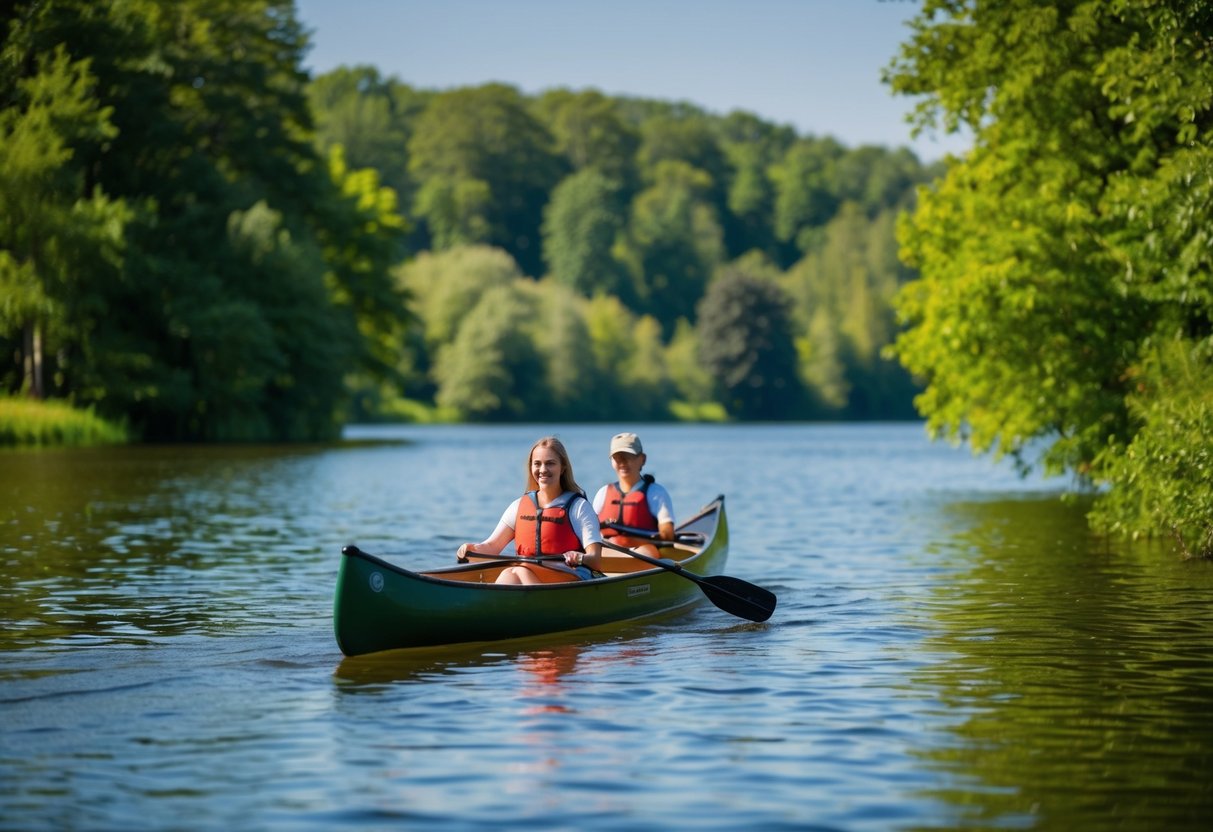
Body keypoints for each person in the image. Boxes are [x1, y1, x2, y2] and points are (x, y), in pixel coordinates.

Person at [456, 436, 604, 584]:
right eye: (537, 464)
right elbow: (492, 547)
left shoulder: (579, 507)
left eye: (550, 464)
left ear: (563, 467)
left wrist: (579, 557)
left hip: (569, 577)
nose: (543, 470)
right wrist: (470, 549)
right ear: (531, 467)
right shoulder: (518, 506)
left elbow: (595, 559)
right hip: (527, 576)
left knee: (516, 571)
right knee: (513, 572)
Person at [592, 432, 675, 559]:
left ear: (642, 459)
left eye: (629, 456)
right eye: (617, 457)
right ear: (611, 461)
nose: (623, 462)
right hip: (609, 550)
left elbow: (668, 534)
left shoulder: (656, 493)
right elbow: (589, 531)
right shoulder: (603, 493)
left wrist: (637, 539)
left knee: (645, 552)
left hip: (644, 551)